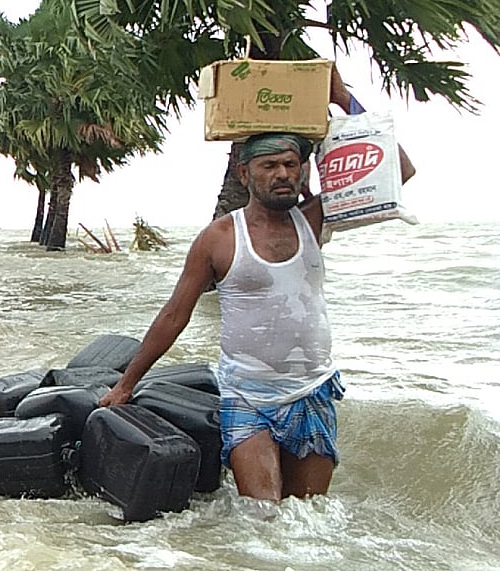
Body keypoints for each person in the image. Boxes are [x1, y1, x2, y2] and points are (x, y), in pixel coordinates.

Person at [98, 69, 415, 501]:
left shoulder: (315, 220)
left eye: (291, 164)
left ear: (303, 172)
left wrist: (344, 101)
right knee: (262, 517)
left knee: (307, 517)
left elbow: (399, 169)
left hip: (312, 390)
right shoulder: (219, 239)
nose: (282, 173)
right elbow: (174, 315)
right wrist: (126, 384)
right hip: (247, 396)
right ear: (245, 174)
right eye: (269, 166)